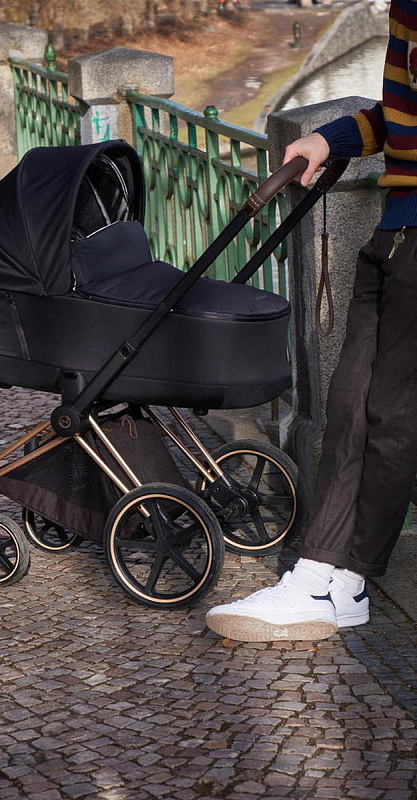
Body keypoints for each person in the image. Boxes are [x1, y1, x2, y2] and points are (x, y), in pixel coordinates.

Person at [206, 0, 417, 642]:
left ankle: (337, 578)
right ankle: (329, 580)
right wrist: (333, 138)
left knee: (391, 419)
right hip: (395, 233)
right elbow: (401, 114)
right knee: (350, 404)